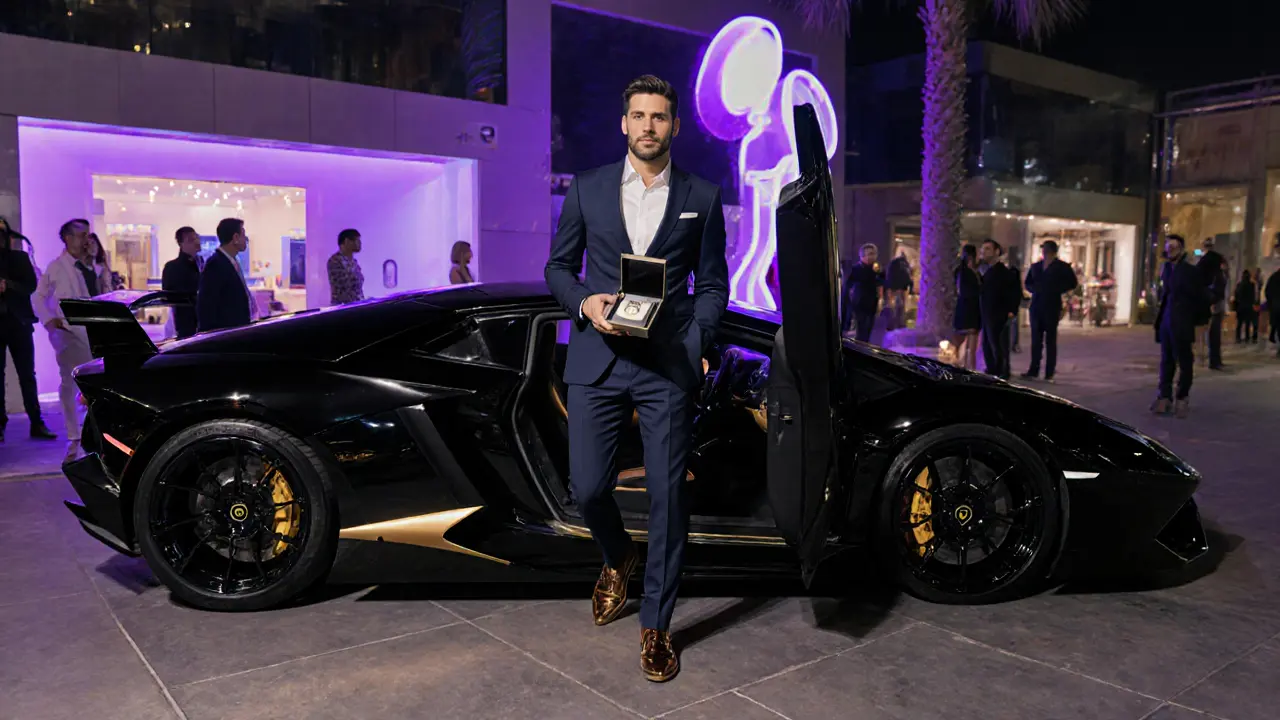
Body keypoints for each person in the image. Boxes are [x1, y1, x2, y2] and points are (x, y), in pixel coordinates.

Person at [543, 74, 728, 682]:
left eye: (659, 117)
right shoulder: (588, 188)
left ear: (674, 126)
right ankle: (617, 556)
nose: (648, 125)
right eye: (639, 116)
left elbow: (713, 285)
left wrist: (698, 343)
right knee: (589, 488)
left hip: (667, 364)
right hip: (598, 355)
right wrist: (584, 305)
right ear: (624, 123)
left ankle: (656, 624)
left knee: (669, 499)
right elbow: (557, 266)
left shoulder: (702, 192)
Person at [32, 219, 97, 461]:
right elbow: (38, 298)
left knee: (91, 382)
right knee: (70, 383)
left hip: (89, 331)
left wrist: (95, 265)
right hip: (68, 334)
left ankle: (90, 430)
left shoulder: (88, 266)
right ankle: (74, 434)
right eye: (81, 235)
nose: (86, 240)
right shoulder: (56, 267)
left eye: (87, 235)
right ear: (68, 238)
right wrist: (50, 321)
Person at [0, 218, 57, 443]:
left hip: (19, 322)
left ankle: (36, 421)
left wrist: (8, 285)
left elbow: (31, 286)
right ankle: (0, 425)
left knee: (27, 375)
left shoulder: (20, 258)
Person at [1152, 234, 1209, 418]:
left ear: (1181, 249)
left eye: (1174, 247)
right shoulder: (1166, 268)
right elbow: (1165, 295)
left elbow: (1200, 298)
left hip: (1183, 322)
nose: (1170, 251)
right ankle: (1164, 397)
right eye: (1168, 247)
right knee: (1166, 361)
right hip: (1167, 321)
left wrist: (1199, 322)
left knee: (1184, 361)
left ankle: (1182, 397)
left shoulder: (1190, 271)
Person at [1022, 240, 1078, 382]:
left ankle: (1049, 372)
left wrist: (1057, 289)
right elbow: (1028, 283)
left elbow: (1072, 283)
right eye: (1043, 249)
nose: (1044, 251)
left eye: (1046, 249)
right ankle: (1033, 370)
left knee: (1050, 340)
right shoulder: (1036, 267)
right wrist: (1034, 289)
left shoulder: (1062, 267)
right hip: (1037, 305)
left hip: (1052, 305)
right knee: (1036, 340)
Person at [197, 218, 253, 332]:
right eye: (243, 235)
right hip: (225, 333)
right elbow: (207, 305)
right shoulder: (215, 264)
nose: (246, 240)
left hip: (237, 330)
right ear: (235, 238)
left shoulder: (232, 261)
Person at [978, 239, 1021, 380]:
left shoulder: (1004, 273)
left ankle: (1001, 372)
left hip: (999, 314)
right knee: (987, 344)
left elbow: (1014, 293)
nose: (984, 251)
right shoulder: (985, 271)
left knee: (999, 345)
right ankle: (992, 369)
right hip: (987, 314)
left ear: (997, 252)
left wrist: (1011, 311)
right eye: (983, 248)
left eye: (988, 249)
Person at [162, 226, 203, 339]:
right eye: (191, 240)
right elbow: (169, 297)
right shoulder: (172, 267)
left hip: (206, 321)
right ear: (181, 244)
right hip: (186, 324)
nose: (196, 242)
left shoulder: (202, 263)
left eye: (197, 238)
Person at [842, 243, 883, 343]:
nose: (871, 256)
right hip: (859, 302)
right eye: (869, 254)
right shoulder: (855, 269)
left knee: (869, 328)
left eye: (873, 254)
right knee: (861, 328)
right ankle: (860, 348)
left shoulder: (877, 269)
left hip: (872, 302)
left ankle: (865, 347)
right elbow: (848, 286)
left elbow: (882, 282)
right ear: (862, 256)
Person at [953, 244, 981, 370]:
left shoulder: (960, 271)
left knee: (961, 342)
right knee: (971, 344)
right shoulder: (969, 272)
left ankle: (960, 366)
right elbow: (967, 291)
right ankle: (969, 368)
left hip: (963, 308)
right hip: (971, 309)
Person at [327, 228, 365, 305]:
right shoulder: (335, 261)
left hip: (356, 306)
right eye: (357, 240)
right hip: (343, 308)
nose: (360, 243)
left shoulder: (354, 262)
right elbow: (343, 286)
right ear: (347, 241)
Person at [884, 250, 912, 330]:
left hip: (895, 287)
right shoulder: (903, 263)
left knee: (895, 306)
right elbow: (906, 275)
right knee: (899, 306)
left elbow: (889, 275)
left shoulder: (894, 263)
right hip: (899, 287)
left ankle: (893, 324)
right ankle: (898, 323)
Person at [1233, 269, 1258, 344]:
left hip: (1240, 306)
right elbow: (1254, 297)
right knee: (1248, 322)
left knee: (1239, 323)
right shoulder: (1252, 285)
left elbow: (1236, 295)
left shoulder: (1239, 285)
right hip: (1249, 306)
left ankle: (1238, 338)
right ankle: (1247, 338)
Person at [1266, 267, 1280, 356]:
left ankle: (1279, 348)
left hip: (1276, 307)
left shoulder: (1273, 277)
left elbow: (1267, 291)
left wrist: (1270, 303)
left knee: (1278, 328)